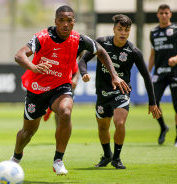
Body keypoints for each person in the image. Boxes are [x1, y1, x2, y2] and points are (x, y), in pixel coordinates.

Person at [10, 5, 130, 175]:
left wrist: (114, 75)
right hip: (37, 88)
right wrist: (33, 66)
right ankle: (16, 157)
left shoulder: (79, 39)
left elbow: (101, 51)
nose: (65, 24)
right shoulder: (42, 37)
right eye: (61, 20)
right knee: (28, 132)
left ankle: (58, 159)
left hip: (61, 86)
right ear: (55, 22)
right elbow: (19, 55)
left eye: (69, 20)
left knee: (65, 112)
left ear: (74, 22)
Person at [78, 14, 161, 169]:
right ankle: (107, 155)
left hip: (121, 92)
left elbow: (146, 77)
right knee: (103, 127)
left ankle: (116, 158)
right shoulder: (102, 43)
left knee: (119, 122)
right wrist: (84, 74)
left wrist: (152, 102)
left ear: (129, 32)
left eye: (126, 30)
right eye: (120, 29)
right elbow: (82, 60)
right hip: (102, 94)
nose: (123, 33)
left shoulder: (133, 51)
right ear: (114, 29)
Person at [148, 4, 177, 147]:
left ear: (170, 15)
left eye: (166, 13)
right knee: (153, 103)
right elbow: (152, 55)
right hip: (159, 73)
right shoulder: (153, 32)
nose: (163, 15)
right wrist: (147, 73)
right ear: (157, 14)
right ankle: (163, 127)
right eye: (161, 13)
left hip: (176, 73)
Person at [43, 53, 81, 124]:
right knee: (59, 110)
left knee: (64, 111)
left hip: (69, 81)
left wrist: (76, 77)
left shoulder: (75, 46)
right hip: (58, 78)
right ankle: (50, 109)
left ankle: (50, 110)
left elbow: (81, 60)